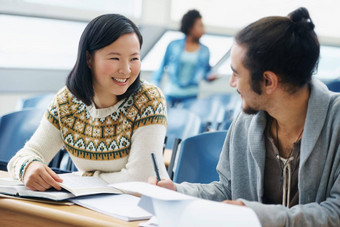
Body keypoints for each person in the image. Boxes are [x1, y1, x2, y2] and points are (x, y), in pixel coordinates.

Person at [149, 7, 340, 226]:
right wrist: (178, 191)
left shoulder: (336, 122)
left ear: (268, 81)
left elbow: (336, 213)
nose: (231, 83)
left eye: (237, 74)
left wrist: (254, 214)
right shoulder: (244, 121)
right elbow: (227, 190)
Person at [8, 14, 169, 191]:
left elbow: (141, 179)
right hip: (89, 205)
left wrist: (82, 179)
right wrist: (29, 167)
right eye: (115, 58)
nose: (126, 69)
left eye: (134, 58)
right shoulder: (67, 102)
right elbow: (24, 156)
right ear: (89, 59)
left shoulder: (148, 99)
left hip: (140, 209)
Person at [152, 9, 218, 107]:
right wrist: (153, 90)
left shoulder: (205, 51)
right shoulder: (173, 45)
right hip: (171, 93)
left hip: (191, 96)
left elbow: (205, 73)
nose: (204, 30)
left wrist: (210, 77)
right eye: (200, 26)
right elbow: (162, 67)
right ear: (190, 28)